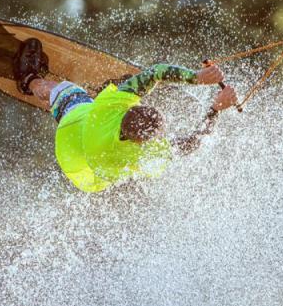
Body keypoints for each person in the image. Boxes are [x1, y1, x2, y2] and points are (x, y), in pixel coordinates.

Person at [13, 38, 238, 192]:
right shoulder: (139, 155)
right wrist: (215, 109)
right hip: (82, 173)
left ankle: (29, 80)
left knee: (67, 92)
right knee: (135, 176)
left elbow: (157, 71)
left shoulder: (110, 108)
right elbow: (192, 143)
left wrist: (196, 77)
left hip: (73, 128)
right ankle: (115, 86)